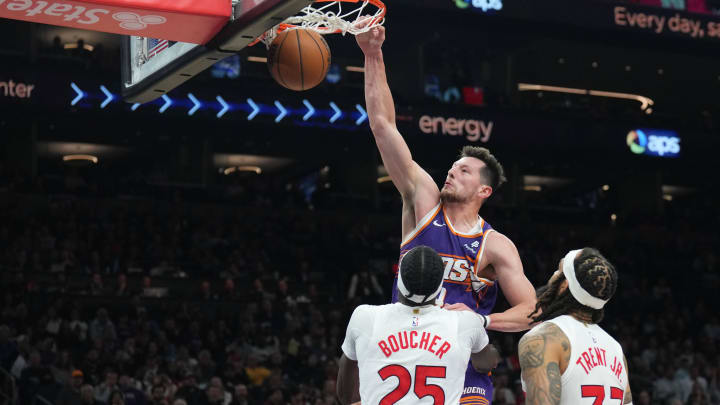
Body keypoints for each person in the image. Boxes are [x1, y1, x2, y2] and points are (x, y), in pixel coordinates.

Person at [355, 24, 537, 403]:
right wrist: (373, 54)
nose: (452, 170)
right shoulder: (423, 202)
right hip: (402, 350)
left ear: (484, 191)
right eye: (455, 165)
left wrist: (481, 321)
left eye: (465, 170)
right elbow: (383, 126)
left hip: (463, 365)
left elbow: (532, 310)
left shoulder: (495, 245)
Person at [337, 246, 498, 404]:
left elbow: (346, 396)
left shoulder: (364, 317)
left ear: (399, 277)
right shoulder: (465, 322)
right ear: (439, 285)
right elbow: (484, 365)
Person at [518, 248, 632, 405]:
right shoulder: (616, 349)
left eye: (558, 271)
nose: (553, 275)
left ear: (564, 286)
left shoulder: (543, 338)